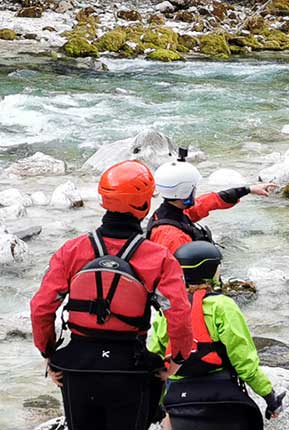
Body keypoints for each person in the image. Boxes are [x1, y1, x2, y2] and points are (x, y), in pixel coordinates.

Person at [30, 160, 194, 430]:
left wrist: (49, 354)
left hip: (79, 369)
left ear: (104, 199)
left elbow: (41, 308)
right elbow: (179, 314)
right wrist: (176, 360)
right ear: (143, 204)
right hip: (130, 370)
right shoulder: (158, 257)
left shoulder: (72, 250)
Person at [149, 241, 285, 430]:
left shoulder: (168, 308)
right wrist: (270, 397)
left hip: (178, 400)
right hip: (221, 398)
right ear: (209, 271)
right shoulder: (223, 306)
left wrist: (156, 405)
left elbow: (155, 360)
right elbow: (244, 362)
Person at [148, 151, 277, 253]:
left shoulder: (173, 212)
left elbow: (211, 201)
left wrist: (248, 189)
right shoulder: (171, 236)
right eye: (193, 188)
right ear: (184, 190)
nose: (195, 191)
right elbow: (178, 278)